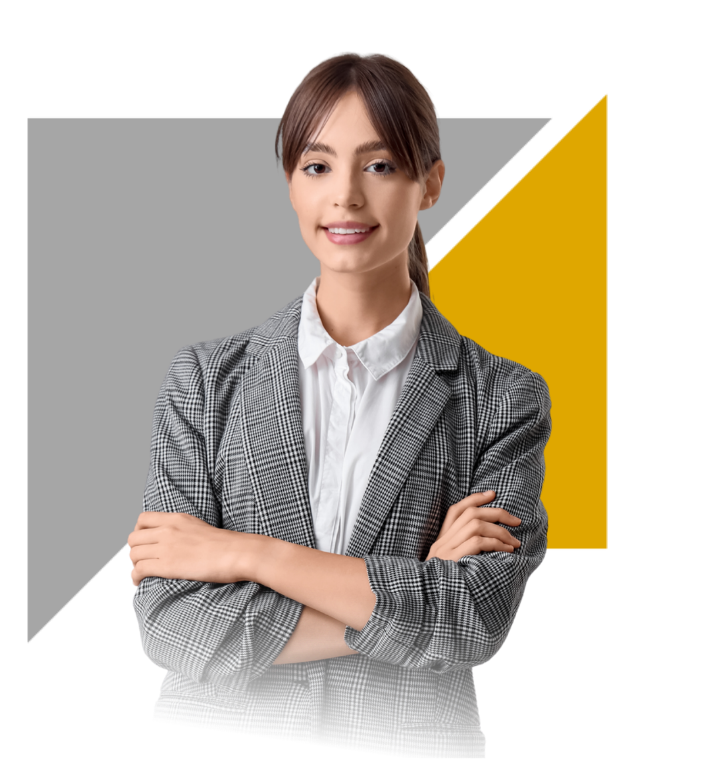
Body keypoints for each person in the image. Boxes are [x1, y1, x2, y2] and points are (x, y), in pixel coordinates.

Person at [128, 52, 551, 759]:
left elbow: (473, 619)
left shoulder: (501, 397)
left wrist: (244, 553)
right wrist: (412, 593)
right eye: (317, 166)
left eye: (379, 165)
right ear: (290, 184)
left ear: (430, 182)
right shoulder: (204, 381)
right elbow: (170, 623)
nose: (345, 197)